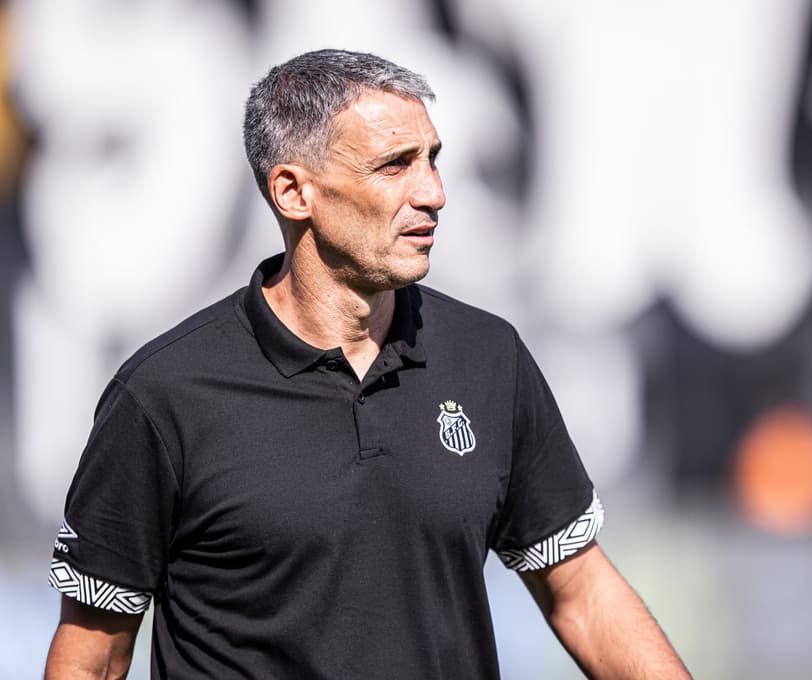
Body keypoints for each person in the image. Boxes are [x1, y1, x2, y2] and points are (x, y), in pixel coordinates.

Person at [44, 49, 690, 679]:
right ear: (295, 192)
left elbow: (582, 591)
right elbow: (93, 656)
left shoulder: (488, 356)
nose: (433, 193)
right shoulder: (165, 394)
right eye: (395, 165)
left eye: (433, 160)